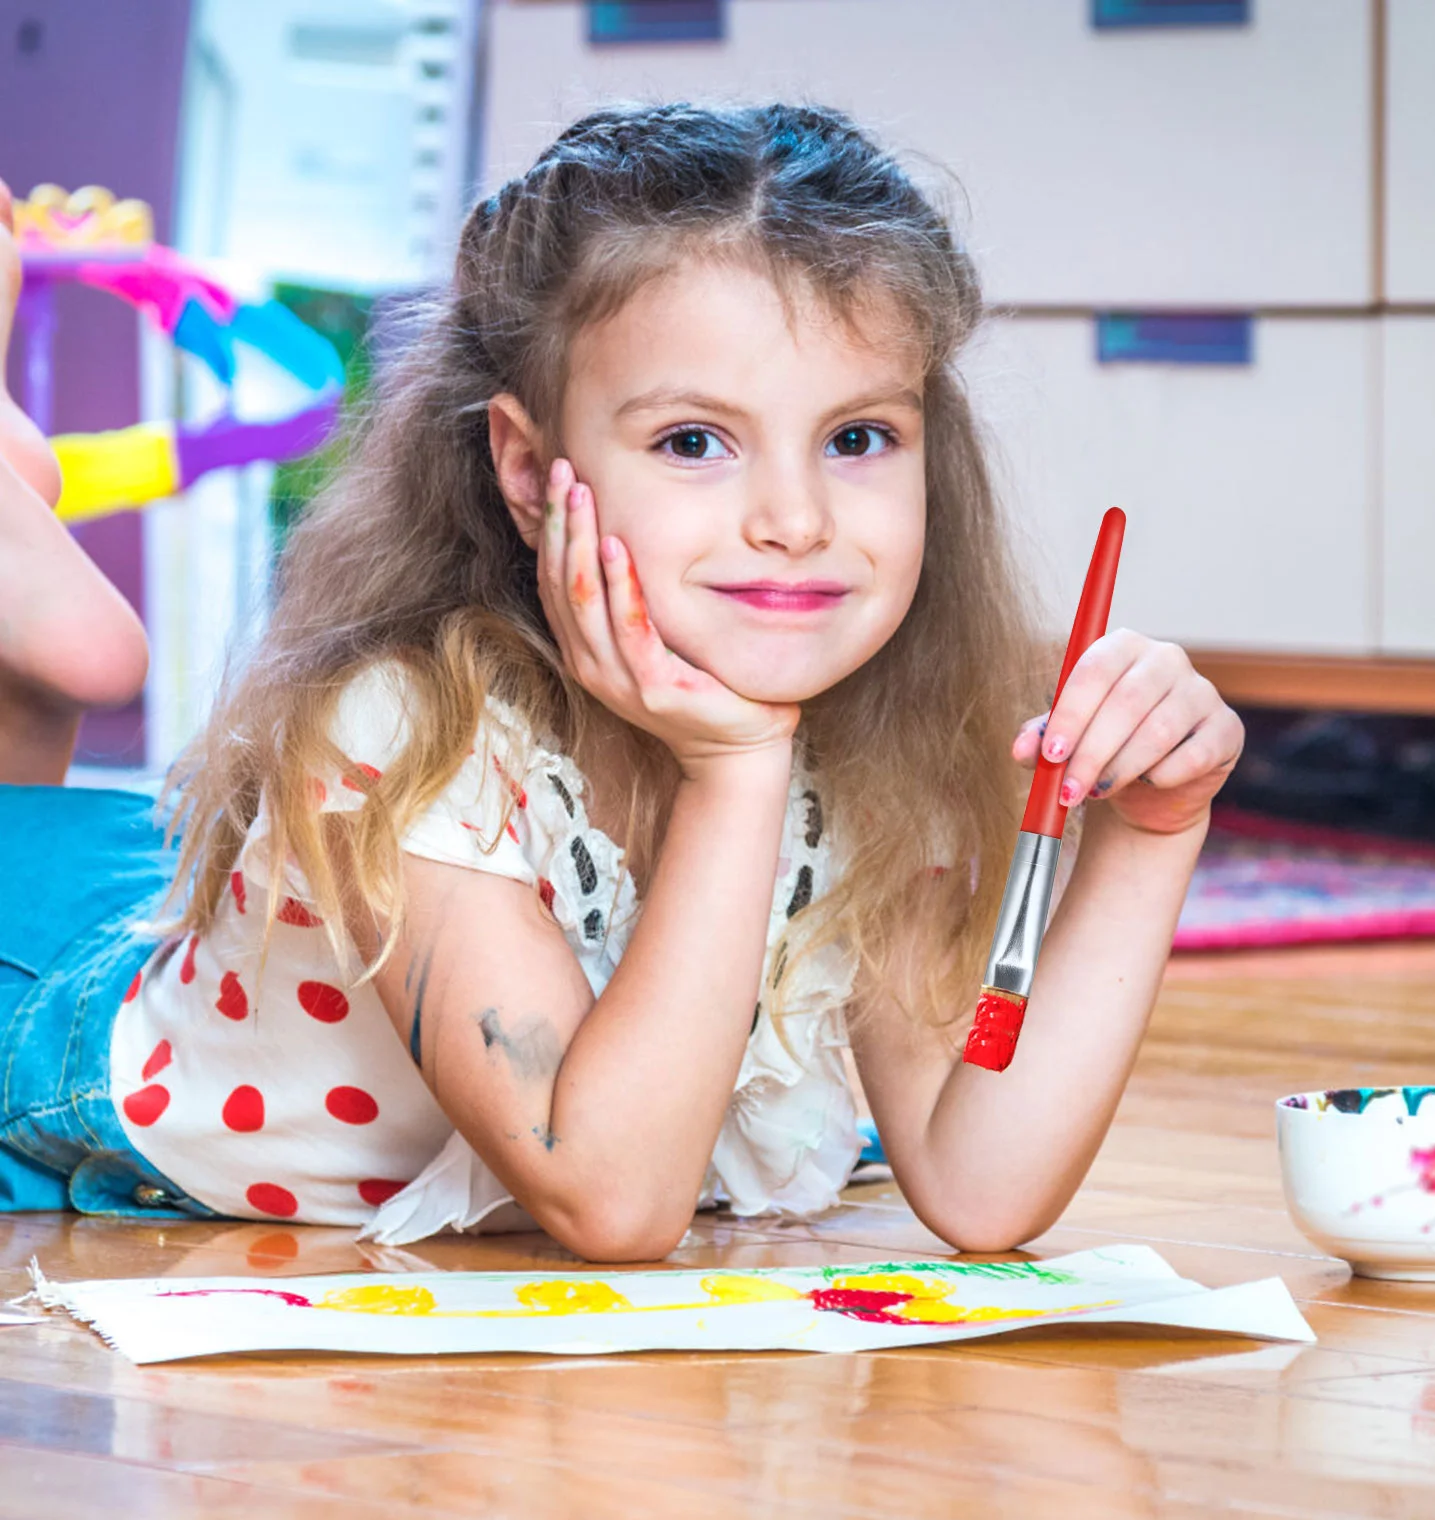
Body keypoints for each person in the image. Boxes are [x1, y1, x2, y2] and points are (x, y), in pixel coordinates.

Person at [0, 105, 1242, 1261]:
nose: (797, 519)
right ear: (532, 472)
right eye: (694, 442)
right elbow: (615, 1197)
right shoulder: (398, 729)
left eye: (857, 437)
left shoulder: (876, 741)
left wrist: (1151, 830)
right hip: (55, 1009)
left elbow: (980, 1186)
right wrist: (738, 773)